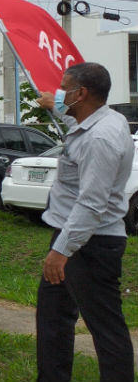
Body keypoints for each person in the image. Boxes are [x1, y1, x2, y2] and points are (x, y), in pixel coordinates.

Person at [35, 62, 134, 382]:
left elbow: (92, 204)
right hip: (72, 237)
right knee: (52, 319)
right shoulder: (104, 119)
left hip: (88, 244)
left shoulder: (100, 138)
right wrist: (55, 106)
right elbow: (77, 122)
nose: (60, 92)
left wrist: (62, 251)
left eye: (65, 88)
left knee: (105, 327)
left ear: (82, 93)